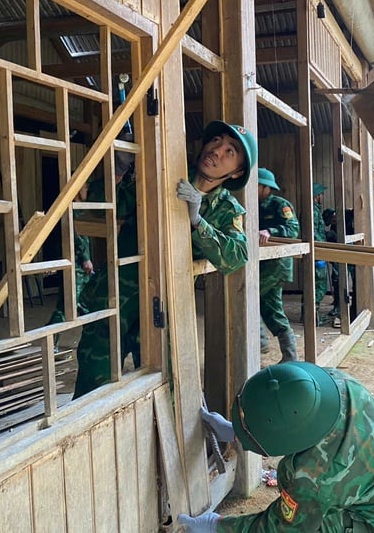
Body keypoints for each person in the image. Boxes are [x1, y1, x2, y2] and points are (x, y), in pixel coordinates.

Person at [74, 121, 257, 397]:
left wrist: (198, 221)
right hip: (116, 296)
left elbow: (236, 257)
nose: (218, 151)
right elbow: (103, 205)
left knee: (165, 390)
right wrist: (120, 171)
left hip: (164, 307)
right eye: (217, 141)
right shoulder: (165, 173)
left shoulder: (226, 209)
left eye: (230, 152)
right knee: (92, 382)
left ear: (237, 172)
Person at [177, 362, 374, 532]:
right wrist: (239, 429)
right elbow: (289, 413)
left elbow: (280, 528)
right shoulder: (334, 383)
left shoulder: (314, 475)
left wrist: (217, 526)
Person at [257, 168, 301, 363]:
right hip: (261, 264)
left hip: (276, 265)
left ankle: (258, 339)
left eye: (257, 185)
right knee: (272, 309)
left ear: (266, 187)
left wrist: (270, 231)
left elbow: (293, 229)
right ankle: (290, 357)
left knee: (248, 296)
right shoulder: (251, 205)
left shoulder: (280, 205)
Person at [46, 182, 94, 350]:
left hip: (81, 267)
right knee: (67, 306)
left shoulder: (80, 209)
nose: (87, 189)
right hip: (76, 265)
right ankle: (50, 341)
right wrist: (86, 258)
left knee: (84, 305)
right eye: (84, 186)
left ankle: (92, 341)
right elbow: (77, 237)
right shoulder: (71, 211)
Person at [312, 182, 328, 322]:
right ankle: (313, 318)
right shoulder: (312, 211)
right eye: (321, 194)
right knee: (319, 284)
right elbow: (312, 232)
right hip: (317, 252)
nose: (322, 196)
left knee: (315, 283)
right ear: (316, 196)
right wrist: (324, 246)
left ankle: (310, 316)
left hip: (318, 250)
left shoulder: (315, 209)